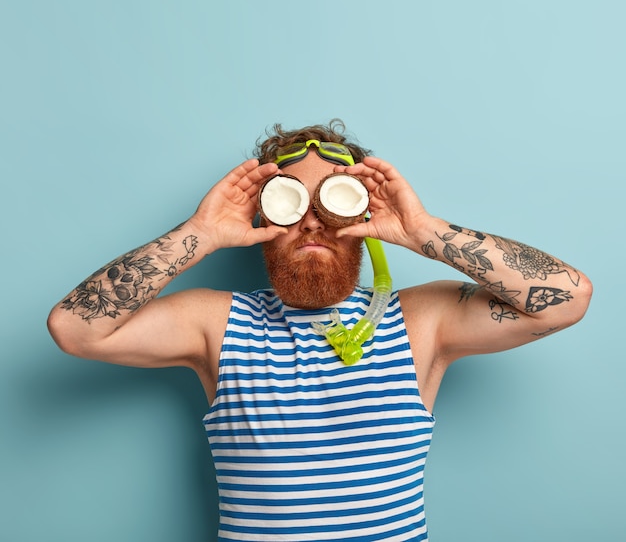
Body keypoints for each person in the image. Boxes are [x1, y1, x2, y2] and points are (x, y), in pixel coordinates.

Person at [47, 119, 592, 542]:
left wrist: (422, 231)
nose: (310, 220)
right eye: (288, 202)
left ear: (361, 215)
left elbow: (567, 298)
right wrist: (201, 233)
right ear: (261, 219)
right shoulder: (217, 324)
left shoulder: (419, 321)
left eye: (331, 201)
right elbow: (75, 329)